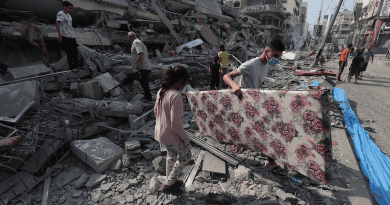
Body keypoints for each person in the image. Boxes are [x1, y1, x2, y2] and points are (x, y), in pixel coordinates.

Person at [223, 38, 286, 177]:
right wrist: (234, 86)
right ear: (266, 51)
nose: (276, 59)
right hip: (245, 104)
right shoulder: (251, 64)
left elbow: (258, 81)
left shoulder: (267, 65)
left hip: (256, 103)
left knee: (262, 129)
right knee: (268, 130)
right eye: (275, 56)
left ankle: (250, 147)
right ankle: (270, 161)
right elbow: (227, 76)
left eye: (279, 57)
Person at [154, 66, 192, 195]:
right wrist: (185, 138)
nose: (184, 87)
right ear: (180, 81)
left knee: (171, 156)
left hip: (161, 132)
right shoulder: (176, 96)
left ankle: (172, 180)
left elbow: (155, 112)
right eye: (185, 84)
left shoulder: (161, 91)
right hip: (172, 134)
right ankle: (168, 184)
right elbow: (175, 124)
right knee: (186, 156)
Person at [128, 32, 153, 102]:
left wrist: (138, 64)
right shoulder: (138, 41)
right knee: (143, 83)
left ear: (130, 38)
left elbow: (140, 54)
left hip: (143, 67)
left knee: (144, 83)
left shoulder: (136, 42)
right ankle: (147, 97)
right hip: (144, 67)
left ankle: (149, 99)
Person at [56, 1, 79, 69]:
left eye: (72, 9)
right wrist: (59, 35)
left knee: (75, 52)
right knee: (69, 52)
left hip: (72, 36)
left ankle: (76, 67)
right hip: (65, 36)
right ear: (64, 7)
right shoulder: (60, 14)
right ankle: (72, 67)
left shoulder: (69, 16)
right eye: (70, 8)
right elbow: (57, 24)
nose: (71, 10)